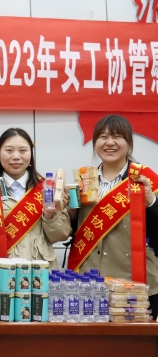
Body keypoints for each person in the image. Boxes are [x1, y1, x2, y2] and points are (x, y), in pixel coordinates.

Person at [68, 115, 158, 319]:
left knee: (136, 339)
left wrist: (151, 201)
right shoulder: (83, 180)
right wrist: (69, 212)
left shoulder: (146, 179)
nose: (109, 142)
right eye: (103, 137)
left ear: (129, 143)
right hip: (89, 280)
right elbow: (71, 230)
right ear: (95, 143)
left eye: (117, 136)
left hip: (134, 280)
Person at [0, 128, 71, 269]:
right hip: (1, 271)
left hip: (39, 271)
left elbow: (61, 235)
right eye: (9, 150)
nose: (16, 156)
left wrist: (49, 214)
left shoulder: (47, 188)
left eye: (23, 151)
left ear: (31, 155)